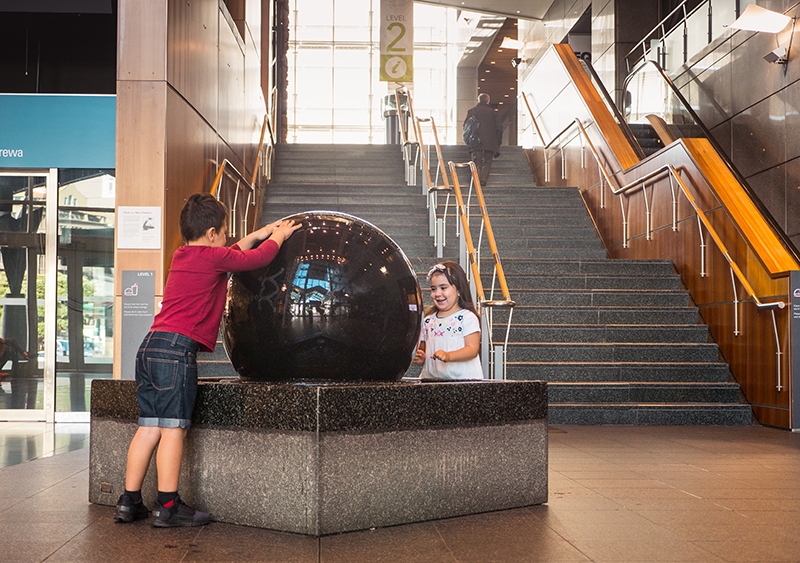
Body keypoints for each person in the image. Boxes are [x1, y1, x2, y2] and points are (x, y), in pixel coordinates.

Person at [114, 193, 301, 528]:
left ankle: (129, 503)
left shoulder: (184, 254)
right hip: (175, 351)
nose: (228, 237)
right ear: (213, 233)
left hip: (150, 347)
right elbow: (256, 259)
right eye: (225, 231)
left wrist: (258, 232)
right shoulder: (212, 258)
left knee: (149, 427)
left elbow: (233, 252)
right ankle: (168, 507)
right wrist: (277, 237)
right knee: (173, 429)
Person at [413, 261, 483, 381]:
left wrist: (448, 356)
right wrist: (421, 357)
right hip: (432, 381)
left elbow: (472, 349)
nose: (437, 293)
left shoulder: (467, 318)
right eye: (433, 289)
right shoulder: (428, 321)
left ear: (459, 290)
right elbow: (424, 350)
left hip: (464, 382)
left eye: (443, 288)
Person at [464, 93, 501, 187]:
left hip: (475, 141)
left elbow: (466, 126)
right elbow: (499, 128)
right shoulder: (493, 112)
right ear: (488, 101)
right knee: (487, 162)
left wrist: (468, 140)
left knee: (476, 162)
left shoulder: (472, 111)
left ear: (478, 101)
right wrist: (498, 142)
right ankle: (483, 180)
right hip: (490, 142)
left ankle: (475, 179)